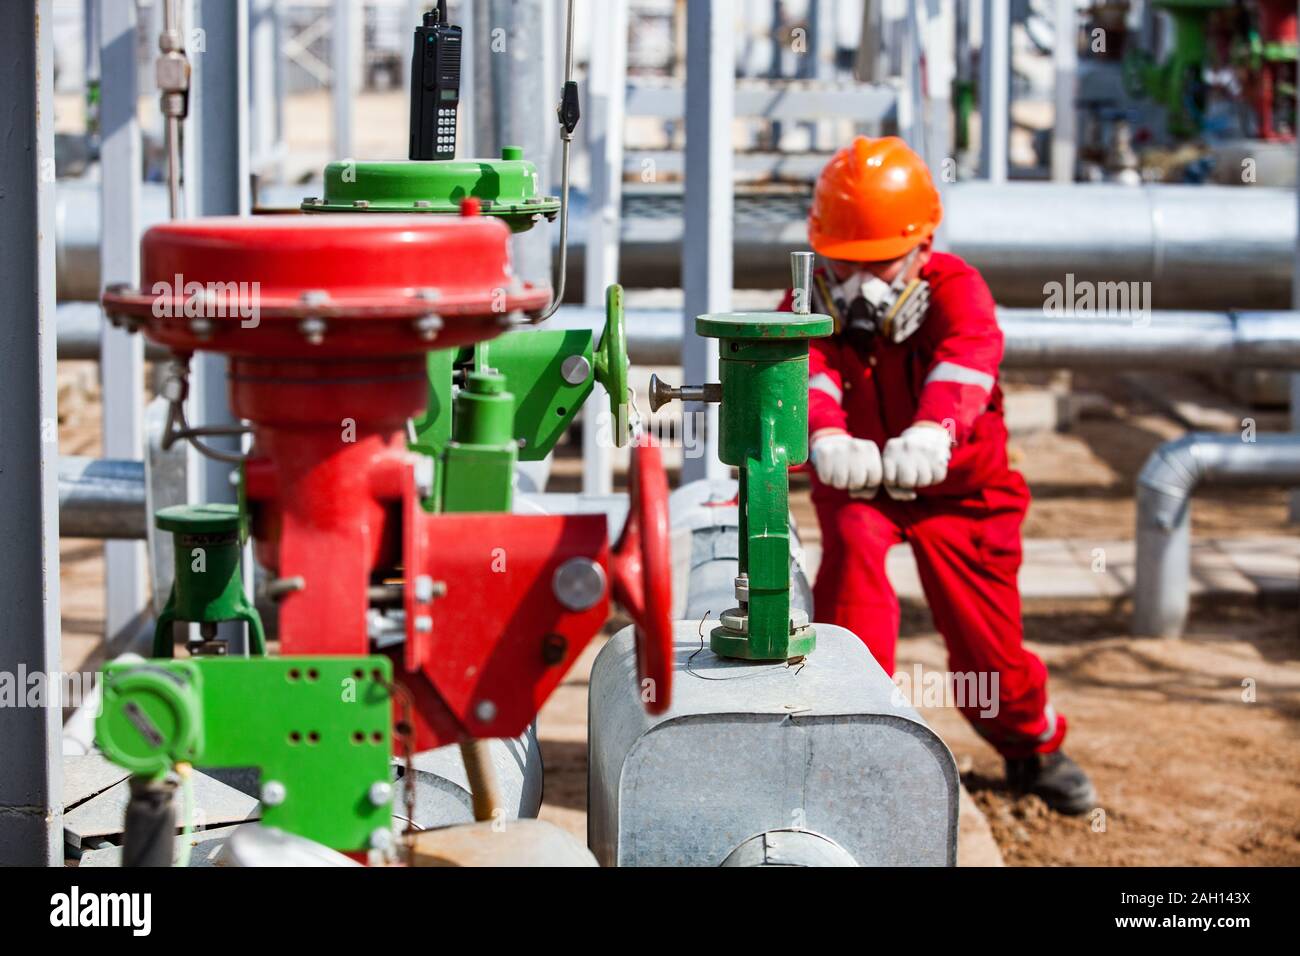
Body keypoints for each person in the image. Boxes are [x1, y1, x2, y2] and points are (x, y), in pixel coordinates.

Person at [778, 135, 1096, 814]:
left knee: (989, 653)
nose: (861, 286)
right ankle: (847, 748)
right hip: (860, 485)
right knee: (851, 599)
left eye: (881, 264)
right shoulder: (807, 297)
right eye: (843, 262)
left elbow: (967, 357)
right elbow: (804, 364)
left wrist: (934, 431)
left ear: (923, 248)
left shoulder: (958, 289)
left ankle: (1030, 745)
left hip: (963, 495)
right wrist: (826, 431)